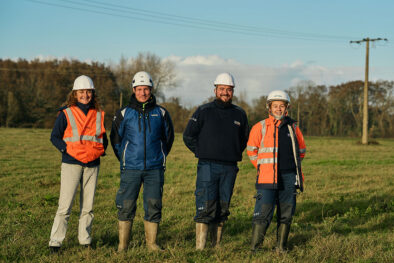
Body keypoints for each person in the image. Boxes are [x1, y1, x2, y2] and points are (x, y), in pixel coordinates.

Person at [183, 72, 249, 250]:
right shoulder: (203, 111)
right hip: (207, 166)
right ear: (215, 90)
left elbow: (243, 140)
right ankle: (200, 248)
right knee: (205, 204)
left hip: (229, 168)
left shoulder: (240, 114)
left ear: (233, 91)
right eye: (222, 89)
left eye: (228, 89)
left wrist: (231, 153)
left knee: (223, 207)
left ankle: (216, 245)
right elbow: (188, 136)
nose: (225, 93)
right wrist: (203, 152)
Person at [110, 71, 174, 252]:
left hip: (155, 169)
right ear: (133, 89)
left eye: (146, 89)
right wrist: (124, 158)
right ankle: (123, 246)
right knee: (126, 205)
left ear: (151, 90)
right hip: (130, 168)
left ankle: (152, 244)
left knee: (154, 204)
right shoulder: (123, 113)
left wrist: (159, 156)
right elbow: (115, 139)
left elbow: (168, 139)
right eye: (139, 89)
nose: (143, 93)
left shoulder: (161, 113)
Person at [48, 75, 108, 252]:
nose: (85, 95)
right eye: (81, 91)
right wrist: (66, 151)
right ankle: (55, 242)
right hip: (71, 164)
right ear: (75, 93)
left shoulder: (98, 114)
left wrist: (100, 151)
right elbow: (54, 137)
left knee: (88, 207)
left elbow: (102, 138)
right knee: (65, 206)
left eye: (88, 91)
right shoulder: (66, 113)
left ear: (93, 93)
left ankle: (85, 240)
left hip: (92, 165)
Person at [247, 90, 306, 253]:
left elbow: (301, 150)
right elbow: (251, 151)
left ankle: (280, 247)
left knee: (286, 213)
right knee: (263, 213)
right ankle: (255, 248)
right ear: (269, 108)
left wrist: (293, 166)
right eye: (275, 106)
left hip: (288, 177)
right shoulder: (260, 127)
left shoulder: (293, 127)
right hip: (266, 179)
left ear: (287, 107)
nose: (278, 109)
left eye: (282, 106)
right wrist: (262, 167)